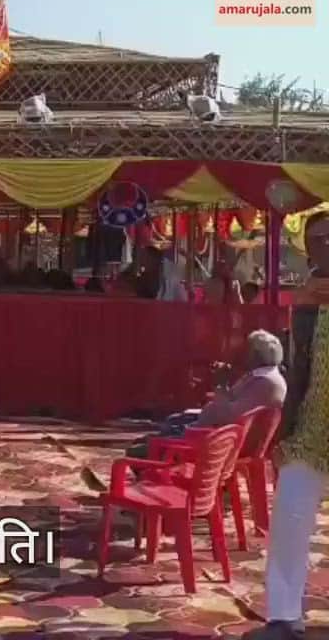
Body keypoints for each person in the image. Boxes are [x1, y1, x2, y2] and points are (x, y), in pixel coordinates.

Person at [246, 212, 329, 640]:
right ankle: (284, 617)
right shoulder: (307, 296)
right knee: (290, 521)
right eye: (317, 240)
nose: (325, 246)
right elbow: (296, 365)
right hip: (311, 429)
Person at [123, 329, 286, 458]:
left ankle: (155, 487)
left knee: (138, 451)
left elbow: (228, 415)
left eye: (245, 349)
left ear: (255, 355)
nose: (240, 353)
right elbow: (231, 406)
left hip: (214, 443)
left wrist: (220, 383)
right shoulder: (263, 377)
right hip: (215, 437)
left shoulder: (265, 382)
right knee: (154, 436)